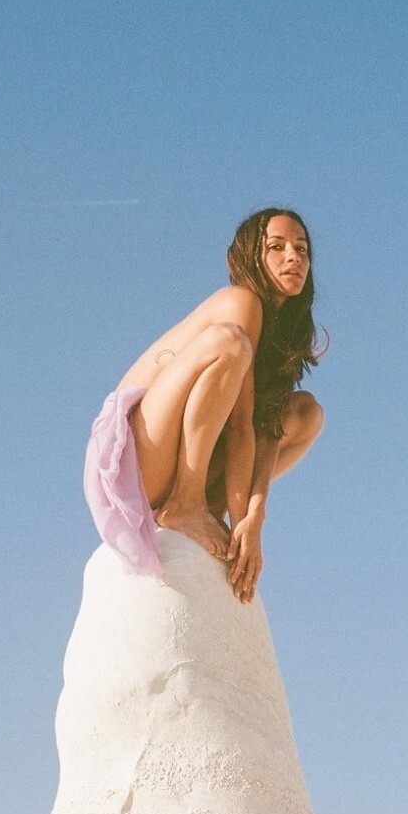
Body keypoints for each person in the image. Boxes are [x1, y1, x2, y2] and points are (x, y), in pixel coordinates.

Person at [84, 208, 325, 603]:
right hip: (131, 455)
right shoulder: (243, 303)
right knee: (228, 342)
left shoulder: (284, 334)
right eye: (276, 247)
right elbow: (238, 427)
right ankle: (186, 501)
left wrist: (250, 523)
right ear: (252, 256)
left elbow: (262, 432)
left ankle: (203, 504)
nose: (293, 257)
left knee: (305, 413)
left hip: (178, 457)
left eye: (301, 249)